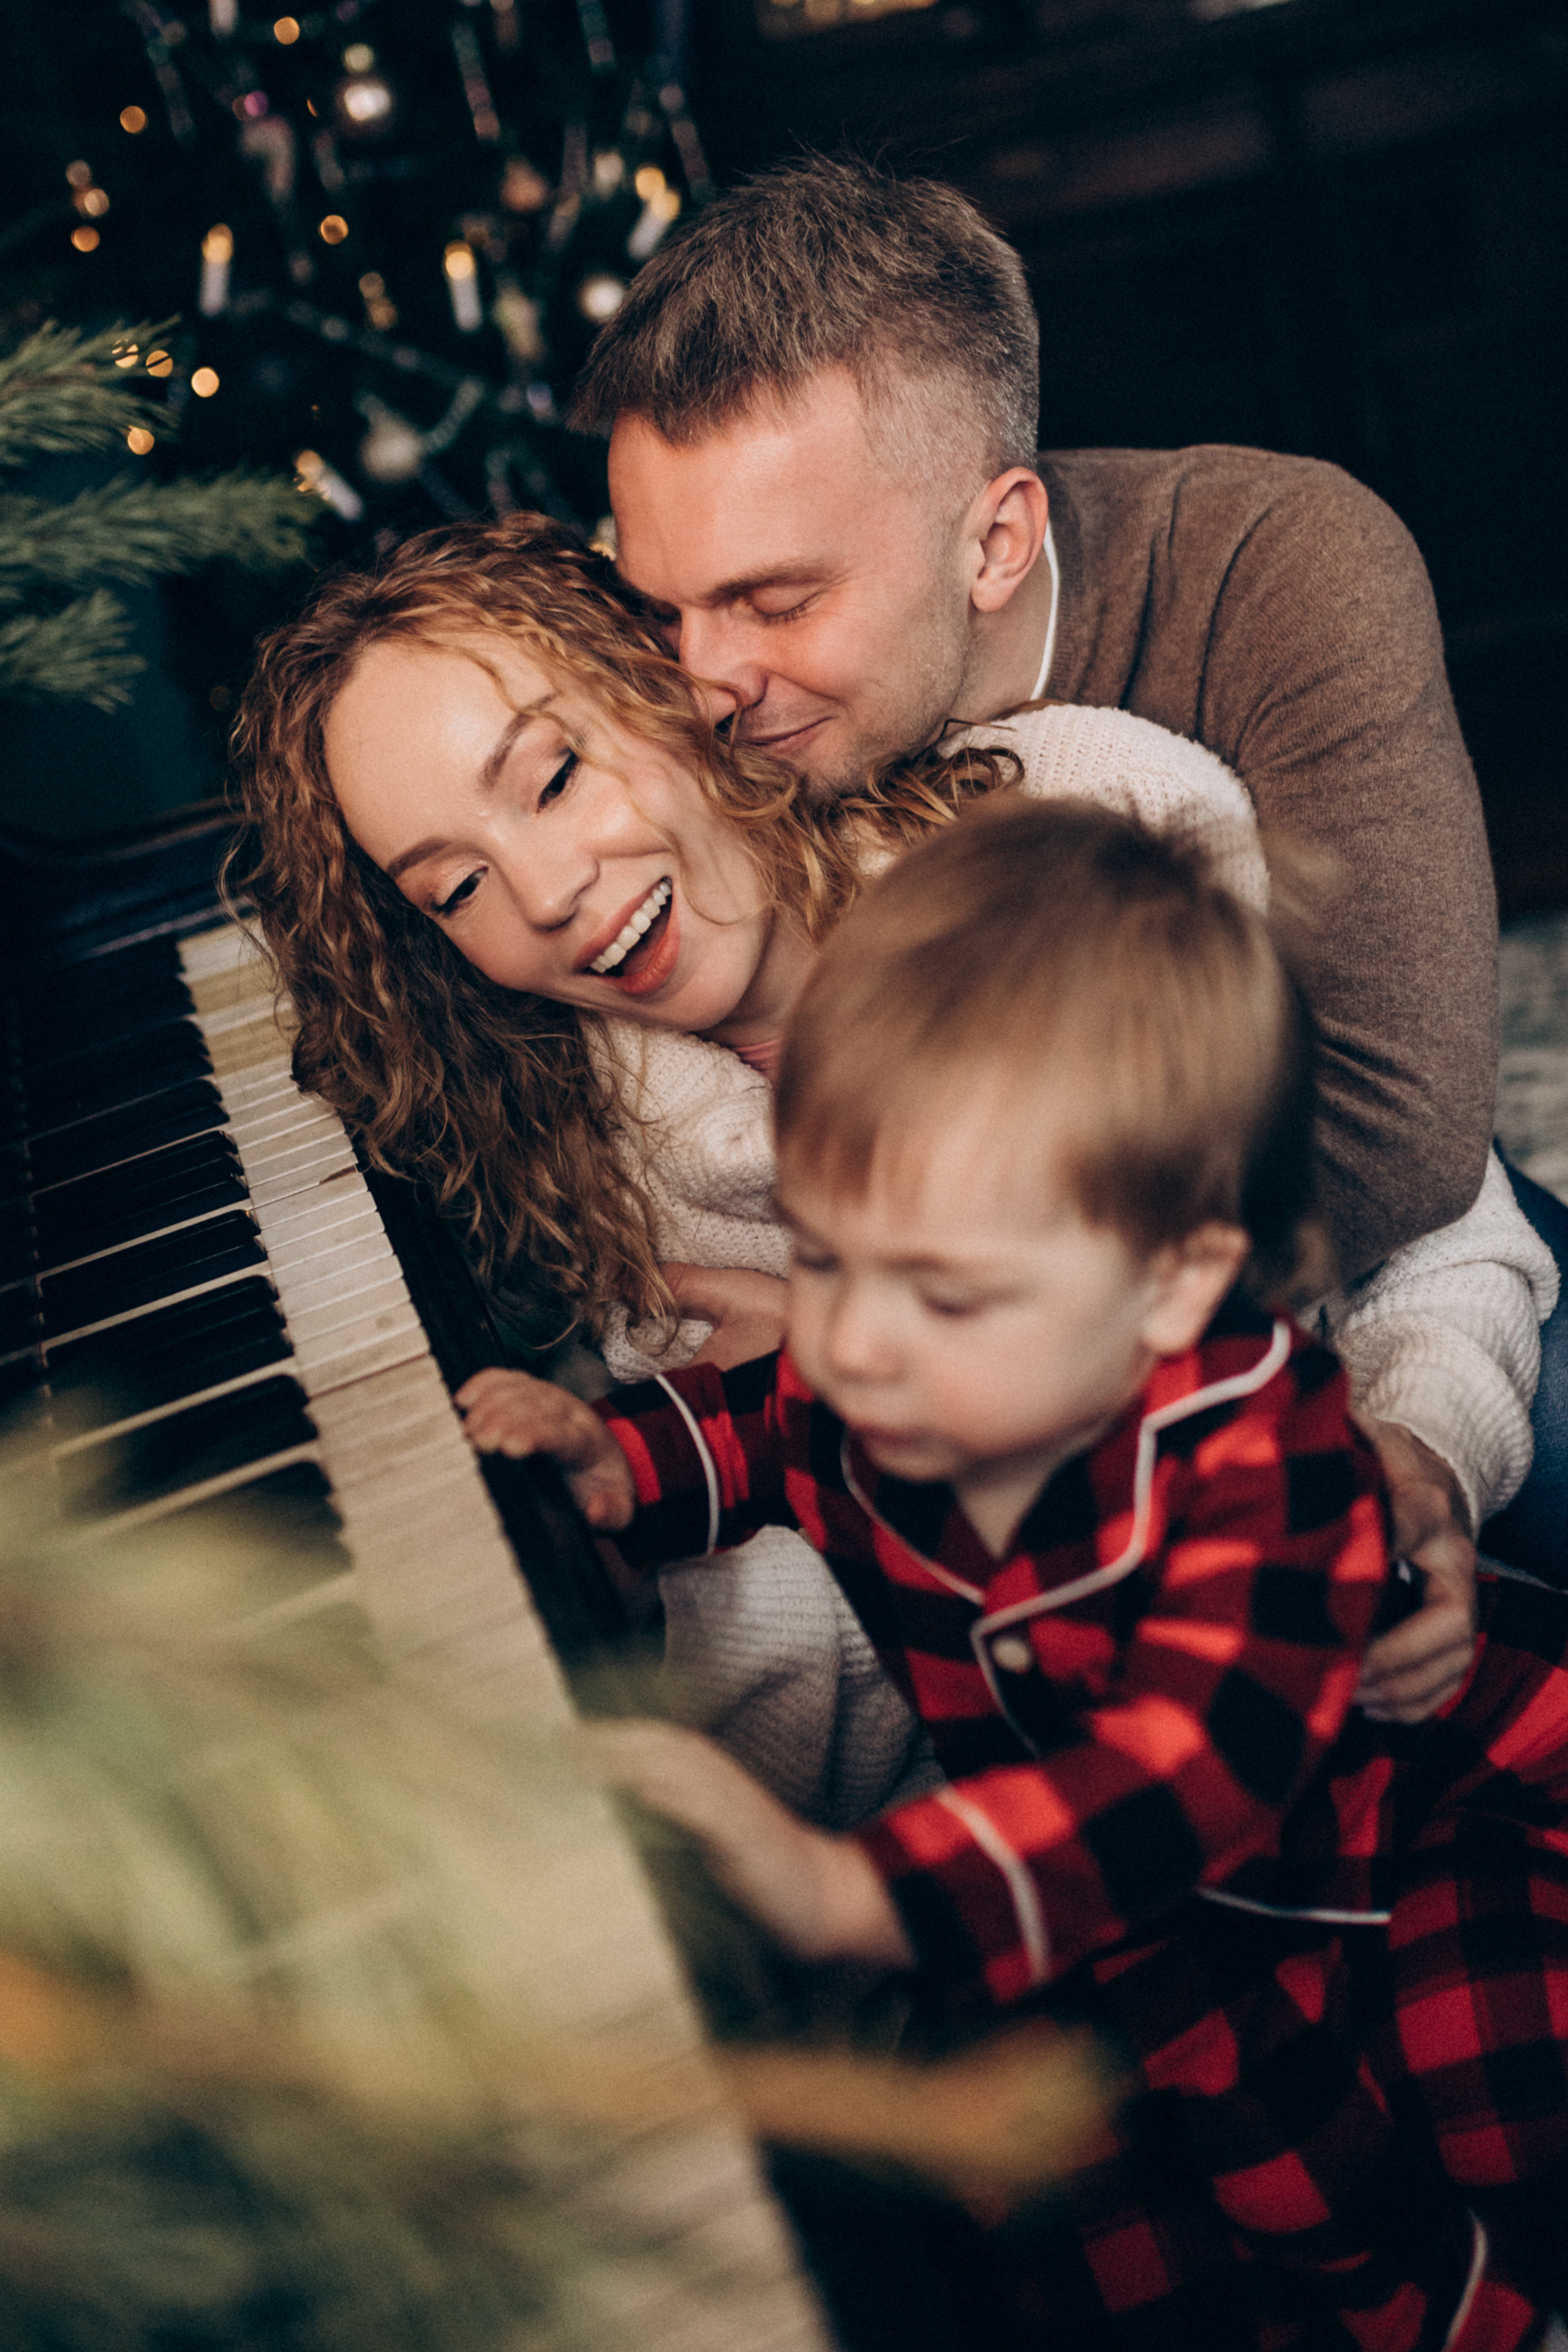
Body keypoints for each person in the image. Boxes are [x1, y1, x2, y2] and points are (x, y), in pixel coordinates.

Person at [454, 798, 1568, 2349]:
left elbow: (1178, 1774)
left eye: (945, 1296)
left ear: (1170, 1284)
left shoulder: (1267, 1462)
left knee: (1476, 2114)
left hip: (1389, 1840)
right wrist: (619, 1463)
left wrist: (856, 1889)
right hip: (1126, 1929)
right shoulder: (889, 1374)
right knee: (1072, 2262)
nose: (849, 1340)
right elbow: (765, 1423)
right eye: (826, 1256)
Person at [570, 150, 1567, 1623]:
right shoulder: (701, 695)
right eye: (663, 603)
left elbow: (1392, 1130)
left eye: (775, 600)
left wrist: (862, 1340)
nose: (700, 683)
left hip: (1338, 1250)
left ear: (995, 540)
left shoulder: (1283, 568)